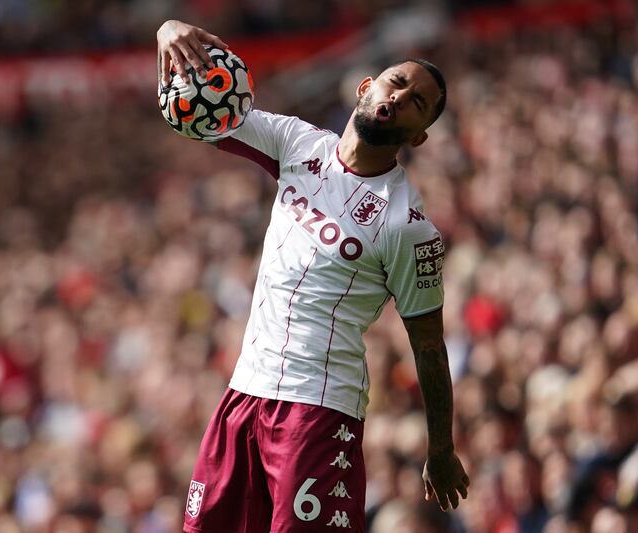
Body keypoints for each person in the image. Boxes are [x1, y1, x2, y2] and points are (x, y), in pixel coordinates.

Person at [156, 19, 470, 533]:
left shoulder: (408, 227)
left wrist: (440, 449)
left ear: (419, 135)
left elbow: (430, 347)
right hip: (243, 395)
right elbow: (192, 116)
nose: (402, 95)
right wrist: (167, 36)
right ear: (367, 87)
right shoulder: (296, 143)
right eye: (398, 81)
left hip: (319, 413)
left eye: (418, 101)